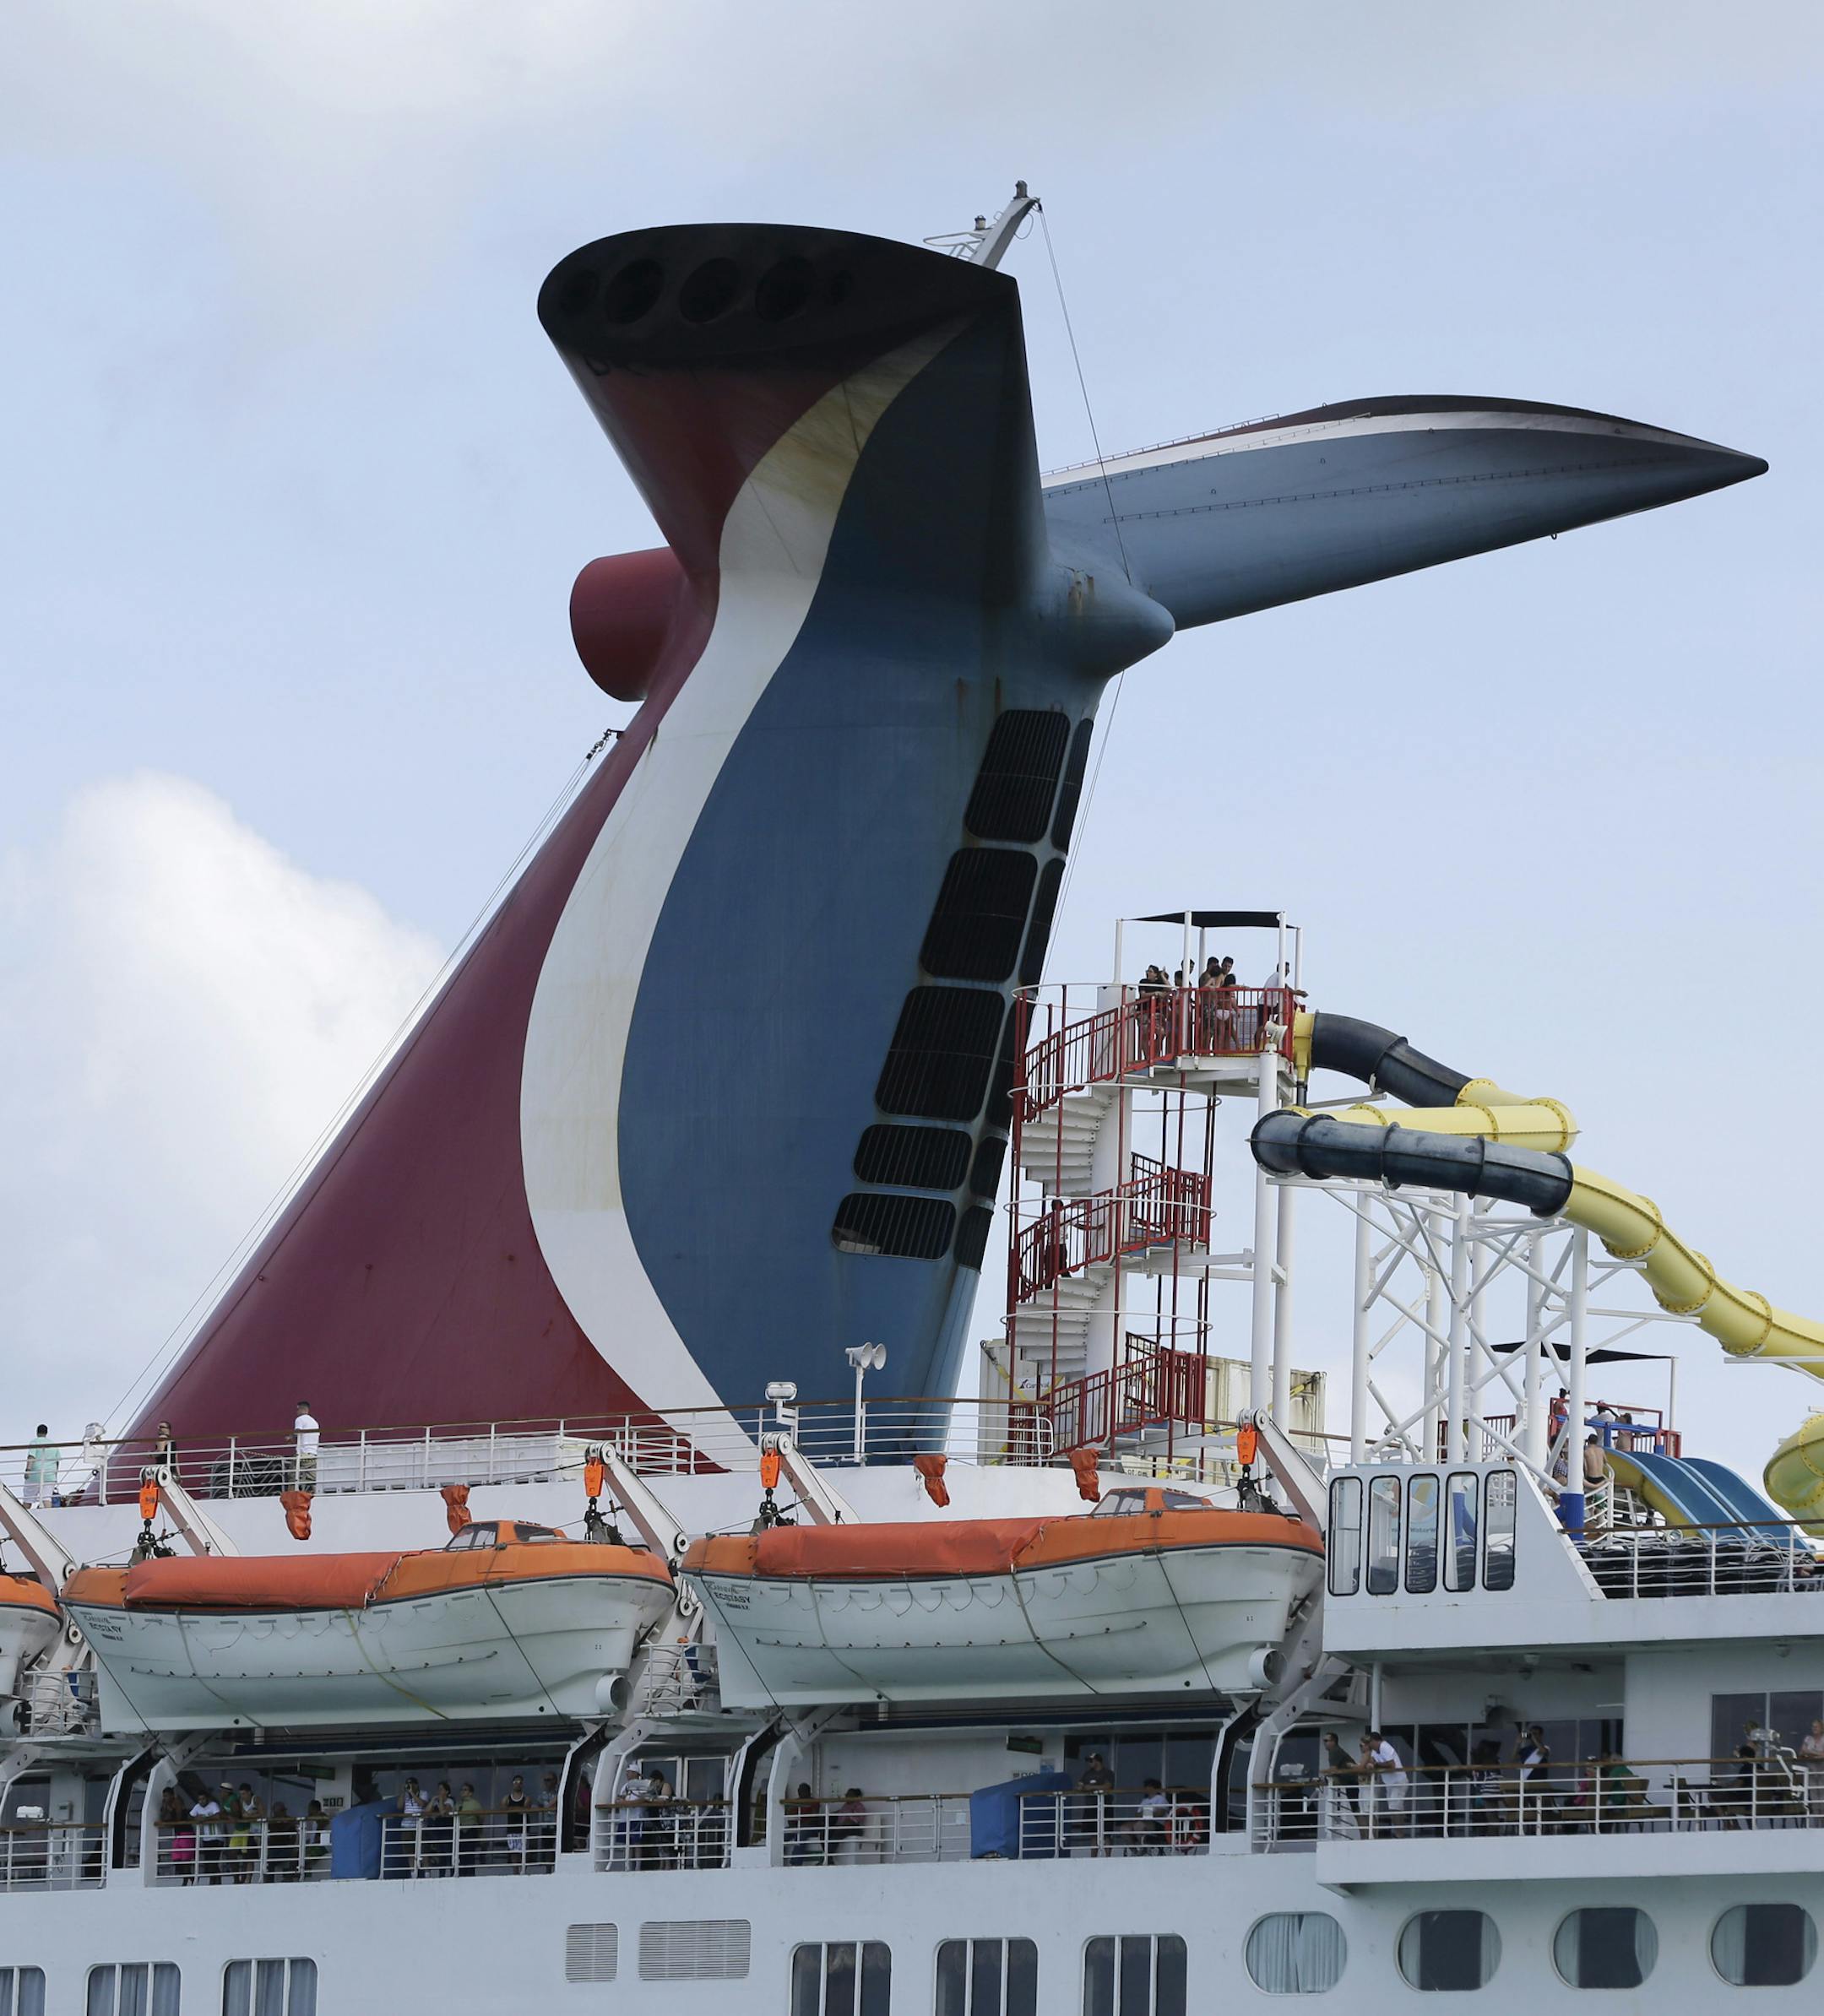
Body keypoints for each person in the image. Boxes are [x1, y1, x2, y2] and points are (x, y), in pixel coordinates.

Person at [1361, 1731, 1408, 1836]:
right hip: (1390, 1783)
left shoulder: (1384, 1747)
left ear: (1375, 1741)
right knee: (1395, 1807)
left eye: (1369, 1742)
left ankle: (1399, 1834)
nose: (1368, 1745)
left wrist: (1376, 1764)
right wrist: (1371, 1763)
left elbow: (1392, 1766)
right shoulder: (1374, 1751)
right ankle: (1398, 1833)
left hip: (1398, 1781)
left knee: (1395, 1808)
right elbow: (1372, 1761)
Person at [1318, 1731, 1359, 1840]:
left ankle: (1366, 1835)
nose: (1324, 1743)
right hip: (1349, 1781)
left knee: (1357, 1810)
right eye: (1324, 1741)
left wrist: (1323, 1772)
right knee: (1356, 1810)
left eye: (1326, 1741)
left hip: (1351, 1781)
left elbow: (1333, 1770)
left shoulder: (1335, 1751)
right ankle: (1365, 1835)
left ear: (1333, 1742)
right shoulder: (1334, 1751)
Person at [1075, 1750, 1116, 1856]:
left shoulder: (1108, 1772)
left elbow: (1108, 1786)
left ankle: (1108, 1857)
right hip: (1091, 1807)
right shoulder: (1088, 1773)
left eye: (1091, 1760)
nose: (1089, 1763)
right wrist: (1081, 1787)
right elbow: (1080, 1784)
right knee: (1093, 1834)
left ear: (1097, 1761)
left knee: (1106, 1834)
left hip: (1105, 1806)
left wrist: (1091, 1787)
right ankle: (1093, 1857)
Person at [158, 1788, 194, 1884]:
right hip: (178, 1834)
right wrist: (165, 1807)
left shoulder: (177, 1801)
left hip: (186, 1833)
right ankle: (189, 1876)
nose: (165, 1798)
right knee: (176, 1859)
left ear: (172, 1795)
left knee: (186, 1859)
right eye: (164, 1796)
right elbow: (163, 1817)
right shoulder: (168, 1805)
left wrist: (170, 1811)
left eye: (166, 1796)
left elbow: (178, 1818)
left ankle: (186, 1881)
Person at [188, 1787, 223, 1884]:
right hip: (206, 1839)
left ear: (207, 1798)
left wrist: (205, 1818)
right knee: (209, 1862)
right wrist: (196, 1818)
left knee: (214, 1861)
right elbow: (189, 1816)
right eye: (199, 1799)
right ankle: (214, 1881)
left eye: (203, 1799)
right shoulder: (197, 1807)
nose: (201, 1801)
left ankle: (216, 1881)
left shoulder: (213, 1805)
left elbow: (218, 1816)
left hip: (216, 1837)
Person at [1127, 1778, 1170, 1855]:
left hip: (1159, 1824)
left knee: (1139, 1825)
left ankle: (1144, 1848)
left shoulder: (1160, 1799)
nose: (1145, 1788)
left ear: (1153, 1788)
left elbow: (1160, 1813)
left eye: (1147, 1786)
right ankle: (1135, 1851)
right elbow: (1137, 1815)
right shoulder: (1144, 1801)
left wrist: (1144, 1813)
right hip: (1144, 1822)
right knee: (1124, 1829)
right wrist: (1151, 1812)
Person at [784, 1781, 821, 1867]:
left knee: (801, 1834)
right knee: (783, 1835)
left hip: (811, 1828)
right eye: (800, 1790)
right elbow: (790, 1819)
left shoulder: (814, 1802)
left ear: (808, 1791)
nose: (800, 1792)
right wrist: (795, 1825)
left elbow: (814, 1818)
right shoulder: (794, 1802)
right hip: (798, 1827)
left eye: (803, 1790)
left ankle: (796, 1863)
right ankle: (778, 1857)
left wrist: (801, 1826)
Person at [828, 1786, 868, 1864]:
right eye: (847, 1794)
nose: (846, 1796)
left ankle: (828, 1857)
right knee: (825, 1833)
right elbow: (840, 1813)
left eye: (849, 1795)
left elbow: (856, 1820)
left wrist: (847, 1822)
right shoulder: (845, 1805)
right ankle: (828, 1857)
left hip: (854, 1828)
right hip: (843, 1827)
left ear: (855, 1797)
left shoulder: (859, 1806)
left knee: (837, 1834)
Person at [396, 1776, 426, 1878]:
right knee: (410, 1852)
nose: (410, 1786)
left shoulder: (423, 1793)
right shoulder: (405, 1795)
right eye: (408, 1784)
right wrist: (403, 1793)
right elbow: (399, 1806)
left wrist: (412, 1793)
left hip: (420, 1826)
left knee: (423, 1850)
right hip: (407, 1827)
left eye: (412, 1784)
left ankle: (427, 1873)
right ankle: (413, 1873)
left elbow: (422, 1804)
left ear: (417, 1785)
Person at [500, 1772, 532, 1871]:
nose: (518, 1784)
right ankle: (515, 1872)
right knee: (513, 1851)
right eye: (516, 1782)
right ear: (513, 1783)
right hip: (512, 1828)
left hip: (523, 1828)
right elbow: (503, 1808)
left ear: (522, 1784)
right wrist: (518, 1809)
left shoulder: (527, 1797)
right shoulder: (507, 1797)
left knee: (523, 1851)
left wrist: (512, 1808)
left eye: (520, 1782)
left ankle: (523, 1871)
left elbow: (525, 1809)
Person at [24, 1426, 60, 1509]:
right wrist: (55, 1476)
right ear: (46, 1433)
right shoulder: (54, 1445)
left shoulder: (34, 1442)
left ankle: (21, 1518)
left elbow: (31, 1456)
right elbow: (57, 1462)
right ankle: (49, 1517)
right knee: (47, 1498)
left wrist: (28, 1470)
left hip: (35, 1475)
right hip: (50, 1475)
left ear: (37, 1432)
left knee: (28, 1499)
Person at [534, 1771, 561, 1869]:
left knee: (559, 1847)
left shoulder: (560, 1793)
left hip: (558, 1824)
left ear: (555, 1781)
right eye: (545, 1780)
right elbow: (540, 1805)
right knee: (548, 1847)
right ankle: (548, 1869)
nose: (547, 1782)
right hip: (546, 1824)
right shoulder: (542, 1795)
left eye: (549, 1780)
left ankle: (558, 1868)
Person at [266, 1802, 299, 1880]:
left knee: (295, 1854)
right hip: (274, 1848)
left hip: (285, 1847)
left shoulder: (289, 1820)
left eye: (284, 1810)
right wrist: (289, 1825)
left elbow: (294, 1834)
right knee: (269, 1862)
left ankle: (289, 1877)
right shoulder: (272, 1821)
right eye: (282, 1810)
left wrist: (291, 1845)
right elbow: (277, 1833)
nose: (284, 1812)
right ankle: (269, 1883)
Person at [456, 1781, 483, 1875]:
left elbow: (481, 1818)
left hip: (471, 1829)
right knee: (461, 1854)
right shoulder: (458, 1804)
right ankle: (462, 1873)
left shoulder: (475, 1804)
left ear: (470, 1793)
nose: (462, 1792)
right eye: (462, 1790)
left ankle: (470, 1874)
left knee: (470, 1853)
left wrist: (479, 1829)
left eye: (465, 1790)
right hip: (460, 1830)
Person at [292, 1402, 320, 1492]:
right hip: (313, 1454)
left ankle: (292, 1493)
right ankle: (317, 1493)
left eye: (297, 1409)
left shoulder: (300, 1419)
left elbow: (297, 1433)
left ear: (302, 1409)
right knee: (312, 1477)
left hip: (303, 1454)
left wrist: (290, 1438)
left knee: (292, 1474)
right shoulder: (315, 1422)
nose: (296, 1412)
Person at [301, 1799, 330, 1880]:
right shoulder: (314, 1820)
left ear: (313, 1808)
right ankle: (293, 1875)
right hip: (316, 1845)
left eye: (309, 1808)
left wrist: (315, 1841)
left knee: (307, 1856)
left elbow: (319, 1835)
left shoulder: (321, 1817)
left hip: (324, 1846)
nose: (308, 1810)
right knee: (298, 1854)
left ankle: (304, 1876)